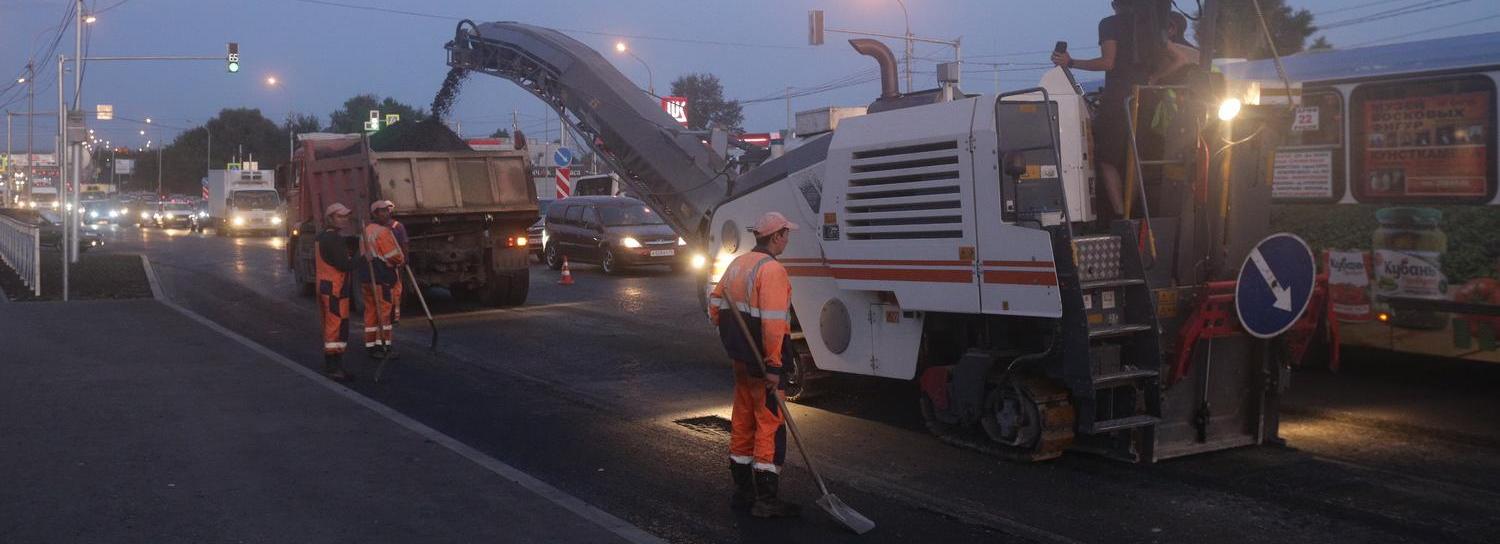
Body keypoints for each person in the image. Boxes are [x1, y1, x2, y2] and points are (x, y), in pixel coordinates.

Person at [707, 212, 801, 519]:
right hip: (763, 362)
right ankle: (767, 499)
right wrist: (774, 366)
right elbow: (774, 325)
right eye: (786, 234)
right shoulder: (771, 270)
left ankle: (744, 490)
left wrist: (733, 340)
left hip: (741, 357)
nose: (788, 239)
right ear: (775, 237)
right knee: (769, 424)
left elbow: (715, 303)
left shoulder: (738, 264)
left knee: (744, 418)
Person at [1051, 0, 1152, 219]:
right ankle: (1134, 208)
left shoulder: (1110, 24)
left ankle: (1120, 214)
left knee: (1106, 158)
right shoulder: (1151, 25)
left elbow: (1108, 63)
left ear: (1115, 5)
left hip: (1119, 97)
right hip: (1147, 96)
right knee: (1136, 157)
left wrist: (1070, 62)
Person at [315, 203, 357, 382]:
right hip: (334, 288)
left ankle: (334, 365)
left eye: (346, 216)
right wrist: (362, 258)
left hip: (326, 286)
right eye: (340, 217)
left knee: (332, 326)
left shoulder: (322, 237)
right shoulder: (334, 239)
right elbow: (343, 265)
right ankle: (334, 367)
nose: (344, 220)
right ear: (330, 218)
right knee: (337, 328)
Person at [361, 200, 406, 359]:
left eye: (386, 211)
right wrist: (401, 260)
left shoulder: (366, 231)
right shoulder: (383, 232)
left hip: (368, 277)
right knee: (384, 313)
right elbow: (393, 256)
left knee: (371, 311)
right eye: (381, 211)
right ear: (374, 214)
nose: (385, 214)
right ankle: (384, 346)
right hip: (382, 278)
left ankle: (371, 345)